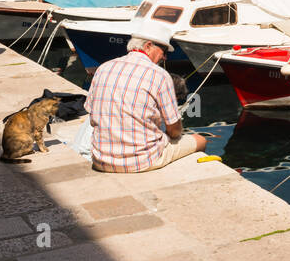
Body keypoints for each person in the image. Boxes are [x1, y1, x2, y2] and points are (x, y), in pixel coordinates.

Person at [87, 20, 206, 173]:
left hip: (100, 160)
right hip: (142, 161)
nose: (164, 57)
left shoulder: (104, 68)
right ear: (148, 46)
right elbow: (174, 129)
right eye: (163, 51)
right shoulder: (159, 75)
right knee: (200, 140)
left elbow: (92, 114)